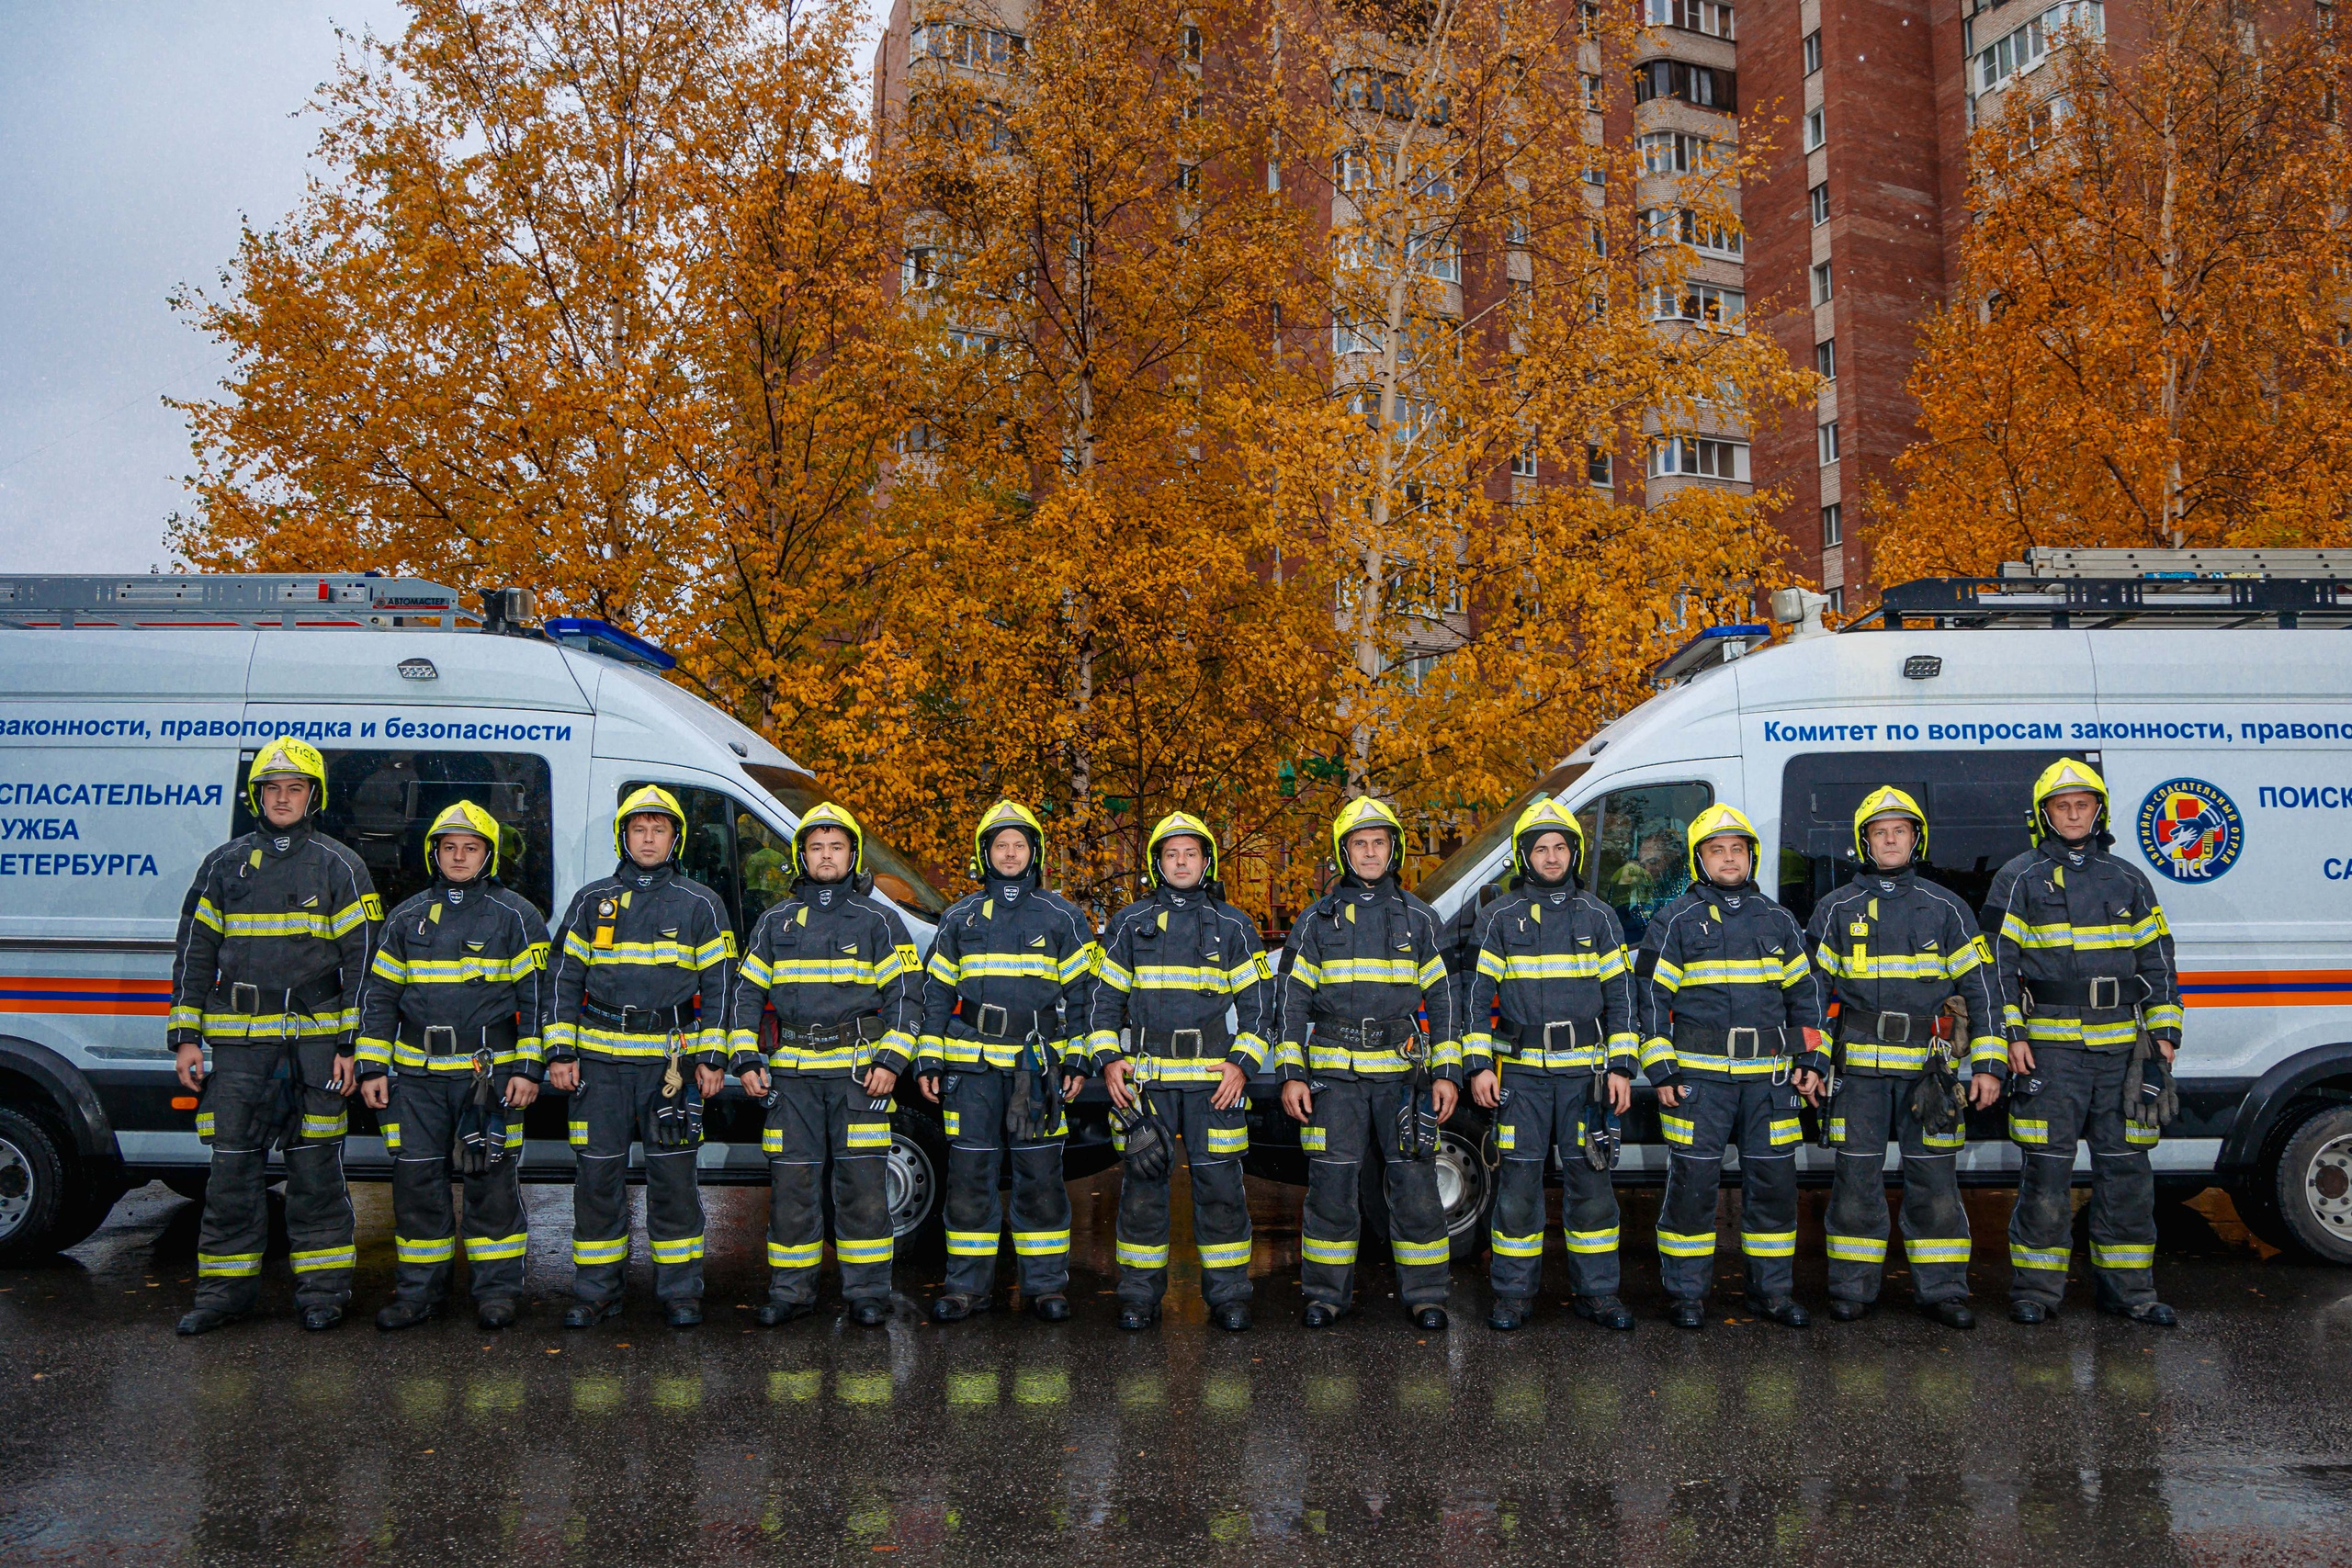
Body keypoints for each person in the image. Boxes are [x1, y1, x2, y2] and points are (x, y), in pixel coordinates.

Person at [169, 736, 379, 1336]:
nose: (282, 798)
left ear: (314, 796)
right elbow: (194, 952)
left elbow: (364, 963)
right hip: (239, 1052)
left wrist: (352, 1048)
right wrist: (186, 1036)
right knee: (231, 1176)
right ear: (256, 797)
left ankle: (323, 1294)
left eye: (294, 788)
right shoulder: (223, 865)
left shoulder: (341, 865)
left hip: (316, 1051)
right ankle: (222, 1296)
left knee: (316, 1176)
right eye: (271, 789)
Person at [1984, 759, 2183, 1326]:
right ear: (2044, 814)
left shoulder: (2128, 878)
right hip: (2050, 1051)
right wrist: (2011, 1035)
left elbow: (2158, 960)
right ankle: (2036, 1292)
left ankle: (2131, 1293)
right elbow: (1995, 967)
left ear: (2099, 811)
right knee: (2046, 1173)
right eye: (2062, 806)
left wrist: (2164, 1036)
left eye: (2083, 804)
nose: (2073, 815)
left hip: (2123, 1051)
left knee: (2127, 1173)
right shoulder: (2018, 878)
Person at [1804, 787, 2005, 1329]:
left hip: (1930, 1073)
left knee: (1935, 1182)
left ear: (1916, 840)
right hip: (1858, 1074)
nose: (1890, 840)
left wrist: (1988, 1066)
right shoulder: (1835, 909)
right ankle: (1851, 1289)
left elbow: (1983, 990)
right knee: (1855, 1182)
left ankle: (1944, 1291)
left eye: (1900, 831)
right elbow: (1811, 996)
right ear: (1864, 842)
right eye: (1880, 832)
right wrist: (1814, 1064)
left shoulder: (1947, 908)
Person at [355, 800, 549, 1331]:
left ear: (489, 855)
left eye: (471, 848)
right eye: (449, 847)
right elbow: (378, 998)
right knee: (416, 1185)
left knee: (491, 1185)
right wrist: (372, 1067)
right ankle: (419, 1294)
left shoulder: (516, 916)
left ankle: (497, 1293)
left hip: (487, 1079)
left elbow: (538, 1001)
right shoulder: (406, 917)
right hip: (416, 1079)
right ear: (434, 854)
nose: (459, 857)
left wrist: (528, 1069)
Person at [546, 785, 735, 1329]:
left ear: (676, 839)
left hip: (669, 1068)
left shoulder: (701, 904)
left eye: (659, 829)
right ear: (623, 837)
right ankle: (596, 1291)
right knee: (596, 1180)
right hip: (598, 1065)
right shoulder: (592, 901)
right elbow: (562, 980)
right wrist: (560, 1051)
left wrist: (712, 1057)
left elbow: (721, 987)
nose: (648, 839)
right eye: (638, 829)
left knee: (674, 1181)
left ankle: (681, 1292)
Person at [729, 801, 921, 1327]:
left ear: (852, 855)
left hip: (860, 1077)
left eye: (836, 846)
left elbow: (907, 997)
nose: (827, 856)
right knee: (793, 1188)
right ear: (802, 856)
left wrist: (891, 1061)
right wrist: (744, 1057)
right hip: (792, 1078)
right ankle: (790, 1292)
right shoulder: (775, 922)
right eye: (817, 847)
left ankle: (868, 1293)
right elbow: (746, 995)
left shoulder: (880, 920)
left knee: (862, 1189)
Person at [1272, 795, 1462, 1330]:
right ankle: (1325, 1296)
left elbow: (1446, 1001)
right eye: (1360, 844)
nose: (1371, 852)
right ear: (1345, 853)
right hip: (1334, 1081)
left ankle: (1427, 1296)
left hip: (1403, 1078)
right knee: (1331, 1189)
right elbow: (1291, 1003)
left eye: (1379, 842)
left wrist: (1447, 1074)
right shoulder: (1315, 922)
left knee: (1416, 1188)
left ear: (1392, 850)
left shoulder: (1420, 919)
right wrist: (1291, 1074)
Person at [1637, 803, 1826, 1330]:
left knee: (1774, 1189)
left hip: (1770, 1083)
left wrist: (1811, 1059)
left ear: (1751, 857)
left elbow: (1807, 999)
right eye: (1716, 850)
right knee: (1692, 1190)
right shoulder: (1675, 920)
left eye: (1737, 849)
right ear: (1699, 860)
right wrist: (1663, 1071)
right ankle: (1686, 1295)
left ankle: (1772, 1293)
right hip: (1699, 1084)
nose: (1728, 858)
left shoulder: (1779, 920)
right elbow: (1648, 1000)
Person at [1087, 811, 1273, 1332]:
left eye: (1191, 853)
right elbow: (1102, 1003)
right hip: (1148, 1082)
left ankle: (1230, 1296)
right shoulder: (1128, 924)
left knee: (1221, 1190)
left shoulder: (1234, 925)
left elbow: (1261, 1008)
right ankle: (1138, 1296)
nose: (1182, 862)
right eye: (1172, 854)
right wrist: (1109, 1059)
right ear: (1158, 864)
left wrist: (1242, 1064)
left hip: (1214, 1083)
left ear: (1206, 862)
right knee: (1143, 1190)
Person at [1460, 798, 1640, 1332]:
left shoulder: (1598, 915)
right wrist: (1479, 1065)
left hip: (1587, 1078)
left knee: (1593, 1188)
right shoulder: (1498, 918)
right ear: (1525, 856)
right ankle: (1513, 1296)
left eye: (1561, 847)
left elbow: (1622, 999)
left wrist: (1622, 1067)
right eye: (1541, 848)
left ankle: (1599, 1294)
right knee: (1517, 1187)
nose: (1552, 856)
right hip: (1523, 1079)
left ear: (1574, 853)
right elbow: (1476, 998)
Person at [917, 800, 1098, 1322]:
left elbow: (1086, 995)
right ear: (986, 853)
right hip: (971, 1070)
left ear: (1033, 852)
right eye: (1001, 845)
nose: (1011, 853)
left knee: (1039, 1177)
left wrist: (1076, 1060)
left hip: (1035, 1069)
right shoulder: (960, 918)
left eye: (1019, 844)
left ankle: (1045, 1287)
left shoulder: (1063, 917)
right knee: (970, 1177)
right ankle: (965, 1288)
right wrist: (929, 1058)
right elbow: (934, 996)